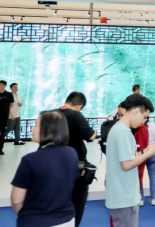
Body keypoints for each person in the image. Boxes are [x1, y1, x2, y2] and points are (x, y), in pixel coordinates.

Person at [11, 111, 79, 227]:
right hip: (67, 220)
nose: (32, 129)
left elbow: (16, 200)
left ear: (47, 129)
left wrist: (26, 216)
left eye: (36, 125)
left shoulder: (30, 160)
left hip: (36, 222)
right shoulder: (72, 153)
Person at [105, 95, 155, 227]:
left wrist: (146, 150)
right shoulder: (123, 132)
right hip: (124, 196)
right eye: (144, 117)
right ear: (136, 111)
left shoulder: (120, 129)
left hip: (123, 194)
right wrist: (149, 154)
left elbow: (128, 157)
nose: (143, 121)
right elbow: (126, 165)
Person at [58, 92, 97, 227]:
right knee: (76, 202)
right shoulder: (76, 115)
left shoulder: (50, 114)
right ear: (80, 105)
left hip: (53, 164)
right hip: (75, 165)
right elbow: (90, 136)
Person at [0, 80, 14, 156]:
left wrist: (6, 111)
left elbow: (11, 104)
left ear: (4, 86)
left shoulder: (9, 94)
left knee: (2, 134)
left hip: (4, 117)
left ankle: (0, 149)